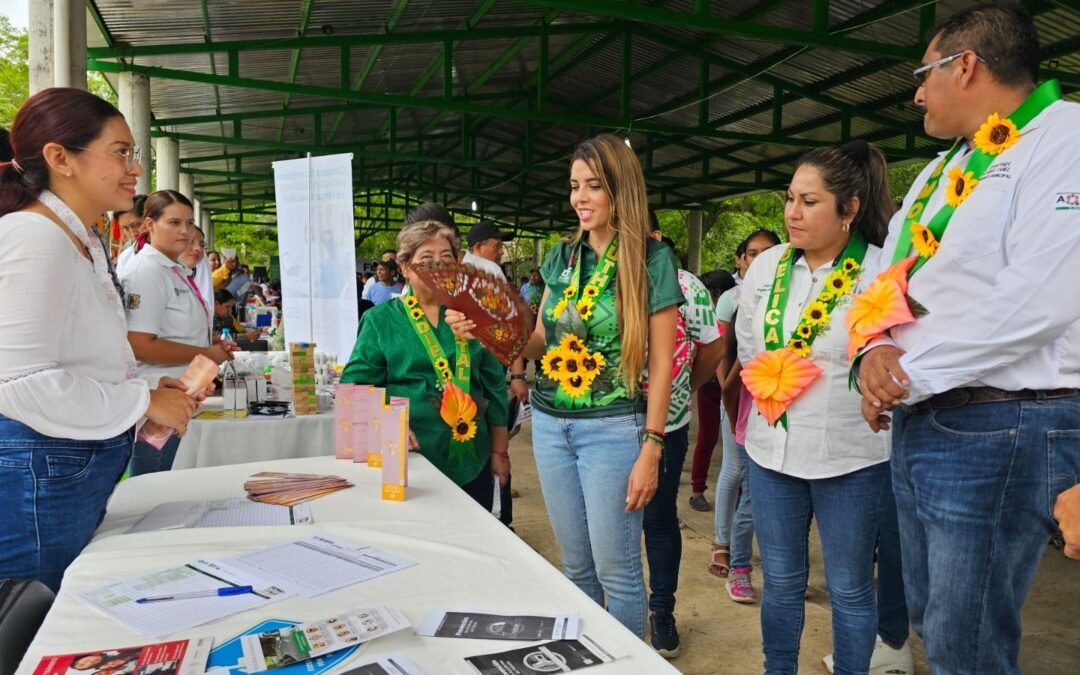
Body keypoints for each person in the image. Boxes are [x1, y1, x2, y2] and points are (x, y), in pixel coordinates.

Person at [852, 6, 1080, 673]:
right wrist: (872, 351)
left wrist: (906, 371)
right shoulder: (941, 173)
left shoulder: (1062, 139)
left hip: (1004, 423)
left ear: (967, 65)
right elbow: (881, 274)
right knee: (936, 621)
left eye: (925, 74)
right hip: (924, 418)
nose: (918, 93)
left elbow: (1039, 301)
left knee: (967, 640)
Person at [450, 134, 682, 638]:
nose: (580, 197)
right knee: (575, 568)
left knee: (617, 572)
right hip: (552, 426)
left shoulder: (651, 260)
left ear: (620, 190)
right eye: (575, 186)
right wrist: (491, 332)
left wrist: (653, 446)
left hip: (614, 428)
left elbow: (664, 364)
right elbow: (537, 342)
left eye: (593, 186)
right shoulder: (561, 258)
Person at [0, 88, 198, 591]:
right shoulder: (35, 237)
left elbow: (82, 354)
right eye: (120, 152)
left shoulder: (76, 237)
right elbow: (20, 381)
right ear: (60, 158)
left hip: (63, 462)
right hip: (41, 467)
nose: (135, 170)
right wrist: (142, 401)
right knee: (40, 622)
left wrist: (144, 392)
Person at [736, 140, 894, 673]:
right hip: (770, 452)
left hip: (849, 458)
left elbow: (893, 361)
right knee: (780, 583)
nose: (792, 213)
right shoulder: (770, 266)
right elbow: (748, 345)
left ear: (849, 209)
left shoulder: (879, 272)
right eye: (789, 198)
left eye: (809, 201)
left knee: (849, 589)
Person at [341, 219, 510, 509]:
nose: (438, 266)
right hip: (409, 462)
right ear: (406, 267)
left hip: (473, 458)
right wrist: (384, 421)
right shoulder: (381, 321)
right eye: (426, 259)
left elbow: (494, 386)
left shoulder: (473, 315)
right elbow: (353, 386)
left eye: (446, 258)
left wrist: (500, 451)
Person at [641, 227, 726, 658]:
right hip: (604, 422)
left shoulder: (685, 285)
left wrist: (683, 386)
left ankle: (662, 611)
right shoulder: (593, 277)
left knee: (658, 520)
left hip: (667, 426)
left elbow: (712, 346)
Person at [121, 190, 233, 476]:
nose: (185, 231)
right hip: (157, 394)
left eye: (190, 222)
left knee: (164, 482)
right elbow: (139, 345)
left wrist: (209, 349)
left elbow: (181, 334)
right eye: (173, 222)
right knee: (151, 485)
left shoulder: (174, 269)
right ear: (149, 225)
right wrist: (205, 353)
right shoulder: (146, 271)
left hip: (181, 394)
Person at [707, 230, 781, 589]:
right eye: (752, 253)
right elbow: (724, 348)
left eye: (768, 252)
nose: (759, 259)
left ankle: (771, 559)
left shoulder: (791, 294)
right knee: (735, 472)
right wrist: (726, 388)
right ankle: (725, 547)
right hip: (740, 397)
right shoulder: (733, 299)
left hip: (776, 400)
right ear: (741, 260)